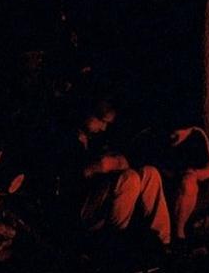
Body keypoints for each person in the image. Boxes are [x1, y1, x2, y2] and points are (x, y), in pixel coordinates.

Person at [56, 98, 171, 247]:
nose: (104, 128)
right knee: (129, 178)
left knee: (150, 173)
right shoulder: (66, 137)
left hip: (105, 199)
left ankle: (163, 241)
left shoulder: (99, 139)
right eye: (101, 121)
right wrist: (93, 168)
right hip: (79, 208)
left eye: (107, 124)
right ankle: (114, 242)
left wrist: (110, 164)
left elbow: (121, 161)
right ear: (88, 114)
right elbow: (65, 180)